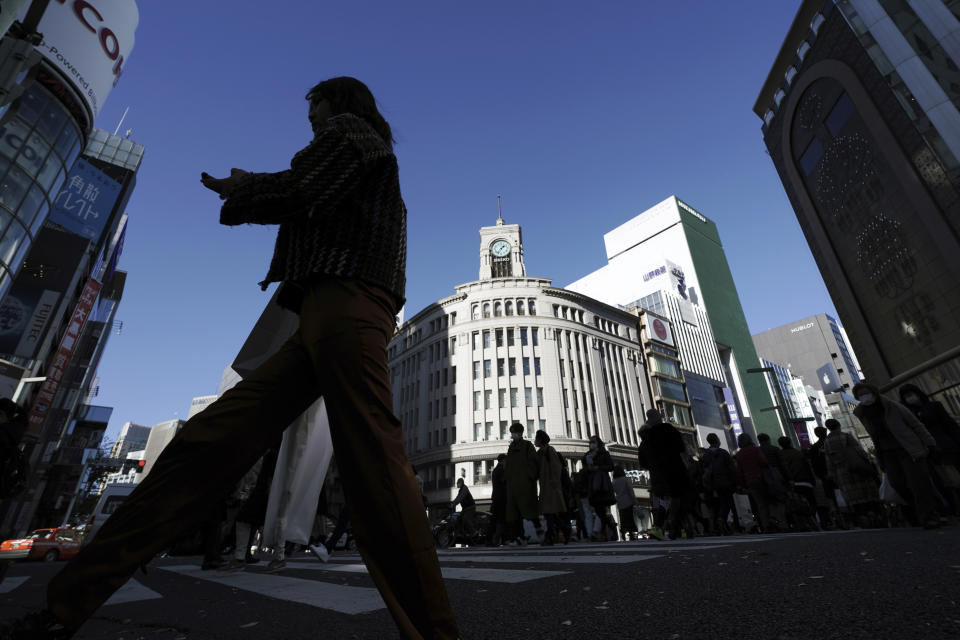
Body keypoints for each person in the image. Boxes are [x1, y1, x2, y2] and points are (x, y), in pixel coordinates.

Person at [13, 77, 460, 640]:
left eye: (315, 105)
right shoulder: (366, 148)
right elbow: (310, 191)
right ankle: (64, 608)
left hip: (345, 307)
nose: (311, 118)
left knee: (370, 466)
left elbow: (304, 186)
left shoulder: (351, 135)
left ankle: (436, 632)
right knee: (207, 441)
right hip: (327, 316)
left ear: (338, 102)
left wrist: (244, 187)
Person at [852, 382, 940, 529]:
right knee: (897, 483)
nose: (864, 397)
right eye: (860, 395)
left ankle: (928, 516)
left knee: (918, 484)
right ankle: (920, 512)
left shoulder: (891, 405)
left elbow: (915, 424)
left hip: (907, 449)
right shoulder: (861, 412)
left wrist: (929, 443)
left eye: (866, 393)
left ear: (873, 392)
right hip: (887, 453)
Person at [899, 383, 960, 515]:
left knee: (954, 476)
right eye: (906, 396)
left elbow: (949, 424)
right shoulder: (908, 413)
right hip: (928, 451)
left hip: (946, 445)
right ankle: (952, 508)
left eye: (910, 394)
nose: (909, 398)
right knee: (942, 481)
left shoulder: (934, 406)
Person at [637, 410, 694, 540]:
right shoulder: (668, 429)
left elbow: (643, 462)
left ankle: (673, 527)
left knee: (665, 500)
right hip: (674, 467)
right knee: (678, 497)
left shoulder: (646, 439)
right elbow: (680, 447)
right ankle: (676, 525)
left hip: (657, 472)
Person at [822, 419, 880, 528]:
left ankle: (862, 518)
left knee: (853, 497)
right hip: (857, 467)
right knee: (865, 492)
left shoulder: (827, 441)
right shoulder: (846, 436)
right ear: (838, 425)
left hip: (841, 472)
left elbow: (828, 460)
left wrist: (832, 475)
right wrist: (869, 461)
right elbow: (860, 451)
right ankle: (873, 515)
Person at [505, 422, 540, 545]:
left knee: (529, 511)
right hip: (513, 486)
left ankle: (540, 532)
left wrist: (530, 477)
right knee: (514, 515)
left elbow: (534, 463)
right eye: (511, 433)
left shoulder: (527, 445)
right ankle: (519, 537)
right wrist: (507, 479)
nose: (512, 435)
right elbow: (508, 465)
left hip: (525, 485)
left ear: (520, 433)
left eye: (514, 432)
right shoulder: (511, 447)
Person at [699, 433, 740, 535]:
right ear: (717, 440)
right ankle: (723, 520)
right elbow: (732, 468)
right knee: (728, 502)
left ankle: (719, 525)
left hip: (712, 484)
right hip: (725, 482)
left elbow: (701, 470)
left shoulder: (705, 455)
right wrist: (736, 481)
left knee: (717, 504)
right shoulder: (723, 453)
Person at [777, 436, 819, 530]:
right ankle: (813, 521)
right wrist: (812, 480)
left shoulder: (780, 455)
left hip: (790, 483)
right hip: (804, 481)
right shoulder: (798, 453)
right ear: (790, 442)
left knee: (794, 505)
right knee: (810, 502)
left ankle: (799, 524)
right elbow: (807, 467)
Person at [534, 430, 567, 545]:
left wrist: (555, 481)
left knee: (550, 511)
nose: (534, 441)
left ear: (540, 440)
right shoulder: (540, 453)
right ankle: (564, 529)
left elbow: (556, 466)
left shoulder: (549, 450)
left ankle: (550, 536)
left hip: (551, 485)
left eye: (536, 438)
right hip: (545, 486)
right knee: (550, 512)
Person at [734, 433, 771, 532]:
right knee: (769, 501)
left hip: (750, 481)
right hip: (762, 479)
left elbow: (739, 471)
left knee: (759, 504)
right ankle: (774, 523)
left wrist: (743, 483)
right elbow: (763, 462)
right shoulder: (755, 449)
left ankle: (764, 525)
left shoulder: (739, 454)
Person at [583, 435, 618, 541]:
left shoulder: (604, 454)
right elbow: (584, 469)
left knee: (601, 508)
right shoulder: (587, 456)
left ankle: (602, 533)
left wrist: (598, 467)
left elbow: (611, 466)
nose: (591, 444)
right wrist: (588, 469)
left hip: (602, 484)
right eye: (590, 442)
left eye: (593, 442)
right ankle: (609, 527)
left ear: (598, 443)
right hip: (592, 484)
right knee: (599, 510)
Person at [806, 425, 837, 529]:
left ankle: (836, 517)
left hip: (824, 475)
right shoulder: (831, 442)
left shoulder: (815, 447)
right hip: (837, 471)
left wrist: (819, 475)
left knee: (830, 496)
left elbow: (814, 463)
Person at [612, 465, 638, 541]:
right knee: (630, 517)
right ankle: (631, 533)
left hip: (620, 501)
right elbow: (630, 490)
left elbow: (613, 492)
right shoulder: (626, 479)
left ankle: (623, 530)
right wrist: (634, 500)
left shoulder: (614, 481)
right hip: (628, 501)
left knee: (623, 518)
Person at [490, 454, 507, 545]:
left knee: (496, 519)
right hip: (501, 497)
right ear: (503, 460)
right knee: (501, 518)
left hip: (496, 497)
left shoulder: (495, 470)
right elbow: (504, 480)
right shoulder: (500, 469)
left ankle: (495, 539)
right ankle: (496, 539)